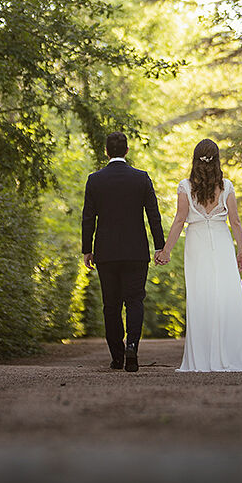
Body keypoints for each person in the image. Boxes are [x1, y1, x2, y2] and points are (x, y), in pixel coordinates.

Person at [156, 139, 242, 372]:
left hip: (197, 242)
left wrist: (166, 251)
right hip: (222, 242)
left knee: (201, 295)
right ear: (216, 160)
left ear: (195, 159)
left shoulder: (185, 186)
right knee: (226, 294)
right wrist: (241, 251)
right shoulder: (227, 186)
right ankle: (232, 353)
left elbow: (180, 220)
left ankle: (203, 357)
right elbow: (235, 221)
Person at [81, 131, 165, 372]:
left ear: (106, 151)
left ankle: (117, 356)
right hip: (136, 252)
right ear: (127, 151)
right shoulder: (141, 178)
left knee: (111, 305)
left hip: (106, 253)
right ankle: (132, 347)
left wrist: (87, 249)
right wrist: (159, 246)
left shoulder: (95, 180)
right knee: (135, 301)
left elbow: (88, 218)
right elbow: (153, 215)